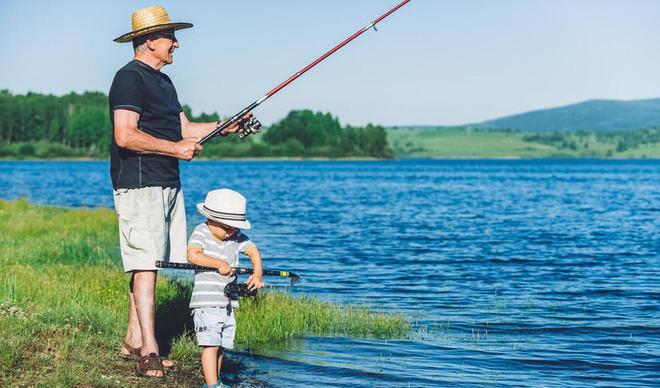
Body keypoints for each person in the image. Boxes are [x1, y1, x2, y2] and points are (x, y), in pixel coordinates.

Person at [110, 5, 254, 377]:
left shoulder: (164, 81)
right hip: (139, 182)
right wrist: (175, 149)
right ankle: (150, 352)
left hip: (168, 181)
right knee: (145, 265)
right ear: (149, 41)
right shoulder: (129, 78)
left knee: (152, 262)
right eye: (170, 37)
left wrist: (227, 125)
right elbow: (124, 135)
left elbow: (184, 128)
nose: (176, 43)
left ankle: (133, 340)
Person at [187, 189, 264, 388]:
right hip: (206, 301)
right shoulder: (201, 231)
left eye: (233, 228)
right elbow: (193, 255)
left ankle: (215, 381)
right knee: (210, 344)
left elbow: (253, 250)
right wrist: (217, 263)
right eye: (226, 228)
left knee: (220, 345)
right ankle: (212, 385)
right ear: (211, 219)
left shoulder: (235, 235)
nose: (231, 232)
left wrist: (257, 274)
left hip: (227, 302)